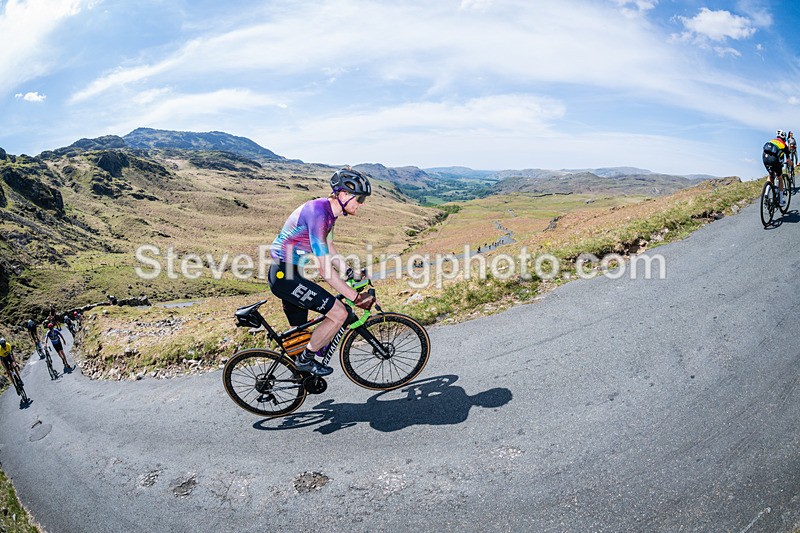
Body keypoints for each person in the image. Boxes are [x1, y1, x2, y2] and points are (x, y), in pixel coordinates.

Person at [268, 168, 376, 376]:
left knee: (300, 338)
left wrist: (349, 272)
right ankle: (306, 361)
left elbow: (330, 248)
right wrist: (355, 298)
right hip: (285, 276)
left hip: (291, 273)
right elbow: (325, 270)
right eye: (360, 199)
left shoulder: (329, 214)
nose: (361, 204)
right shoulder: (318, 213)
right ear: (344, 195)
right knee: (339, 313)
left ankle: (302, 377)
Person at [762, 130, 789, 207]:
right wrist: (789, 164)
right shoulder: (784, 145)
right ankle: (781, 201)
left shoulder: (772, 141)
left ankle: (766, 194)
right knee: (780, 177)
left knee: (771, 174)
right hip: (773, 160)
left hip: (764, 157)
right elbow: (788, 160)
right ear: (784, 137)